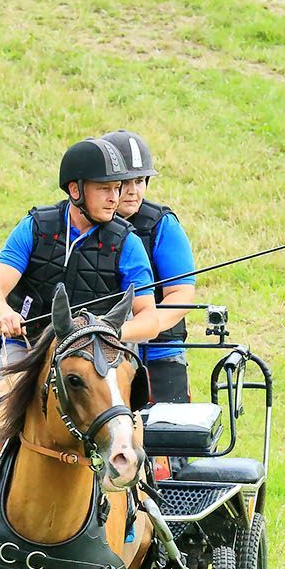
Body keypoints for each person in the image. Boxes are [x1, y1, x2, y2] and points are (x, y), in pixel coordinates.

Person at [0, 138, 158, 371]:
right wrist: (4, 313)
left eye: (117, 188)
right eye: (104, 188)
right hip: (27, 346)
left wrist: (111, 329)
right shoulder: (35, 227)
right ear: (75, 190)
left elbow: (149, 319)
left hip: (97, 351)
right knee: (6, 395)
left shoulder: (129, 243)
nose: (115, 197)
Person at [102, 129, 197, 404]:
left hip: (157, 354)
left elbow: (181, 295)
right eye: (125, 182)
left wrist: (147, 327)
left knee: (167, 438)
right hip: (99, 353)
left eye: (141, 181)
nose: (133, 191)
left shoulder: (163, 225)